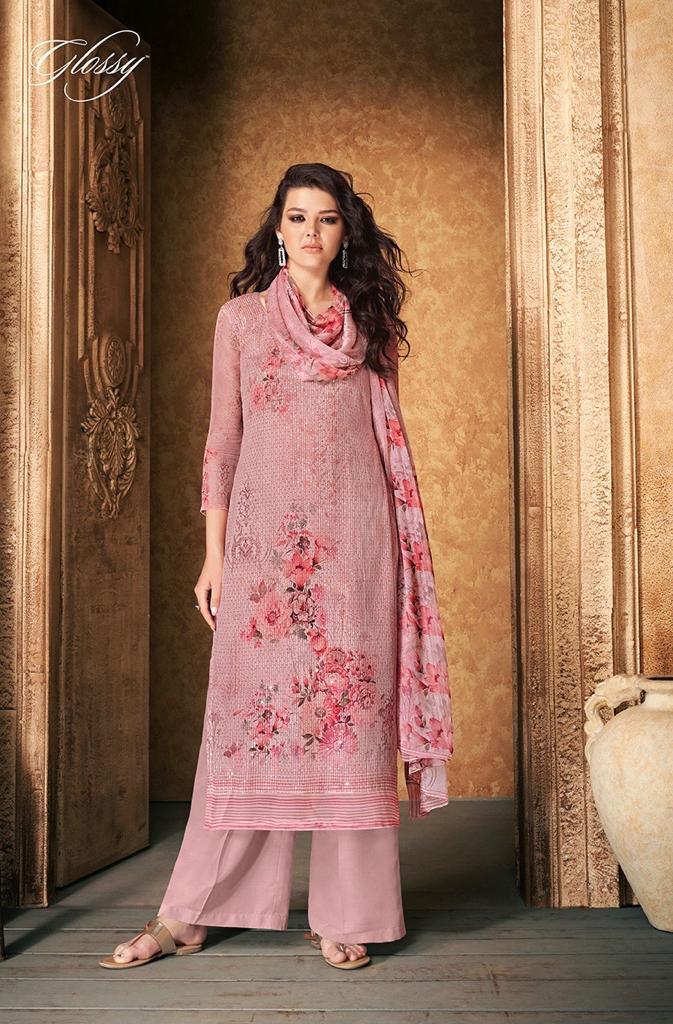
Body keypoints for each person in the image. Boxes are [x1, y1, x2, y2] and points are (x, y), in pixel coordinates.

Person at [99, 162, 453, 973]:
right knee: (246, 727)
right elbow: (221, 442)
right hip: (264, 556)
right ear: (278, 228)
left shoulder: (368, 325)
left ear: (344, 231)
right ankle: (191, 912)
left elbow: (385, 444)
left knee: (351, 727)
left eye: (326, 218)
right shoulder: (241, 321)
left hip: (358, 552)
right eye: (297, 217)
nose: (310, 232)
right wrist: (214, 555)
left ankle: (347, 915)